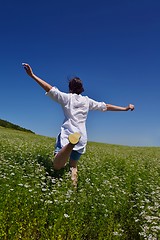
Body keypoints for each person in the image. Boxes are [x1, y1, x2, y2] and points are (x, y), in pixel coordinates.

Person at [23, 63, 134, 187]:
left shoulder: (67, 98)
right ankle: (73, 194)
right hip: (82, 138)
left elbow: (49, 89)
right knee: (73, 167)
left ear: (70, 88)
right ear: (81, 88)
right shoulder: (87, 101)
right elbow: (106, 106)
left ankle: (71, 143)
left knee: (57, 165)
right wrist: (124, 108)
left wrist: (32, 75)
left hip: (67, 135)